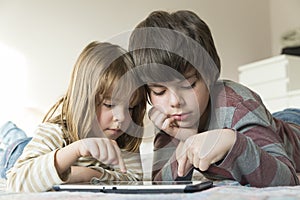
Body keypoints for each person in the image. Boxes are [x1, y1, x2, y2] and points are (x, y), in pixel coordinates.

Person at [128, 10, 300, 187]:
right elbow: (162, 184)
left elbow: (287, 179)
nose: (174, 102)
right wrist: (186, 139)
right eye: (158, 91)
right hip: (271, 121)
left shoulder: (237, 107)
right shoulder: (167, 115)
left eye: (188, 85)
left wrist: (234, 142)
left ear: (209, 76)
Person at [5, 41, 147, 192]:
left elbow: (134, 180)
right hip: (23, 154)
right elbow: (16, 182)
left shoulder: (122, 137)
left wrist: (89, 174)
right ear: (85, 101)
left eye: (130, 108)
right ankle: (8, 131)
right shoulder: (55, 132)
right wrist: (77, 149)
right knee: (16, 144)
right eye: (109, 105)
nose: (122, 117)